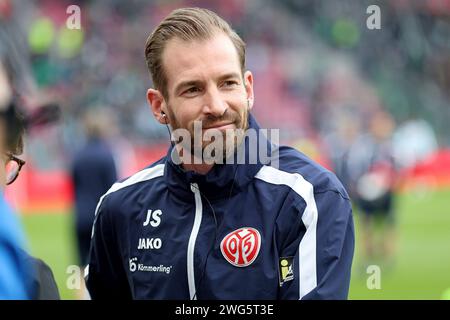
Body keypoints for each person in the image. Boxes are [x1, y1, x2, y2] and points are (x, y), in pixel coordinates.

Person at [86, 7, 354, 300]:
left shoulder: (310, 199)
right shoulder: (119, 208)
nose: (216, 106)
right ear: (158, 106)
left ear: (248, 88)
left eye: (228, 83)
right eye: (193, 89)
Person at [71, 109, 117, 299]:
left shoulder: (78, 155)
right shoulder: (106, 155)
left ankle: (82, 296)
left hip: (80, 215)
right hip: (99, 217)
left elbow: (74, 183)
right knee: (103, 262)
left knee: (81, 262)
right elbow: (113, 188)